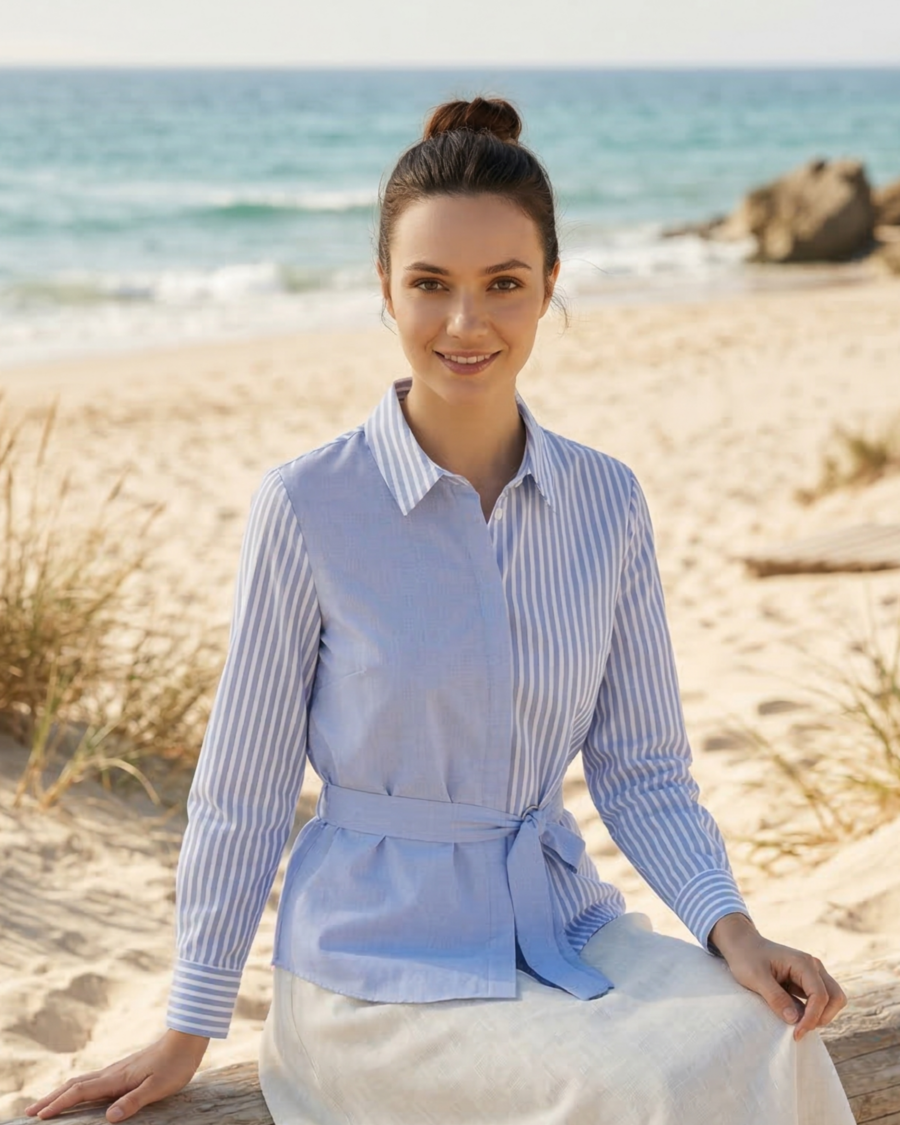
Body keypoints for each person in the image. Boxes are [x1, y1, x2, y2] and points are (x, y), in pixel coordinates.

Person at [26, 95, 855, 1125]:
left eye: (504, 284)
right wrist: (188, 1025)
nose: (466, 324)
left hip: (561, 931)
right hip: (370, 973)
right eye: (431, 285)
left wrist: (733, 930)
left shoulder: (608, 503)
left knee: (769, 1046)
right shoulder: (308, 507)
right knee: (629, 1092)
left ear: (551, 287)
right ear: (384, 289)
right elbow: (242, 789)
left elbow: (642, 769)